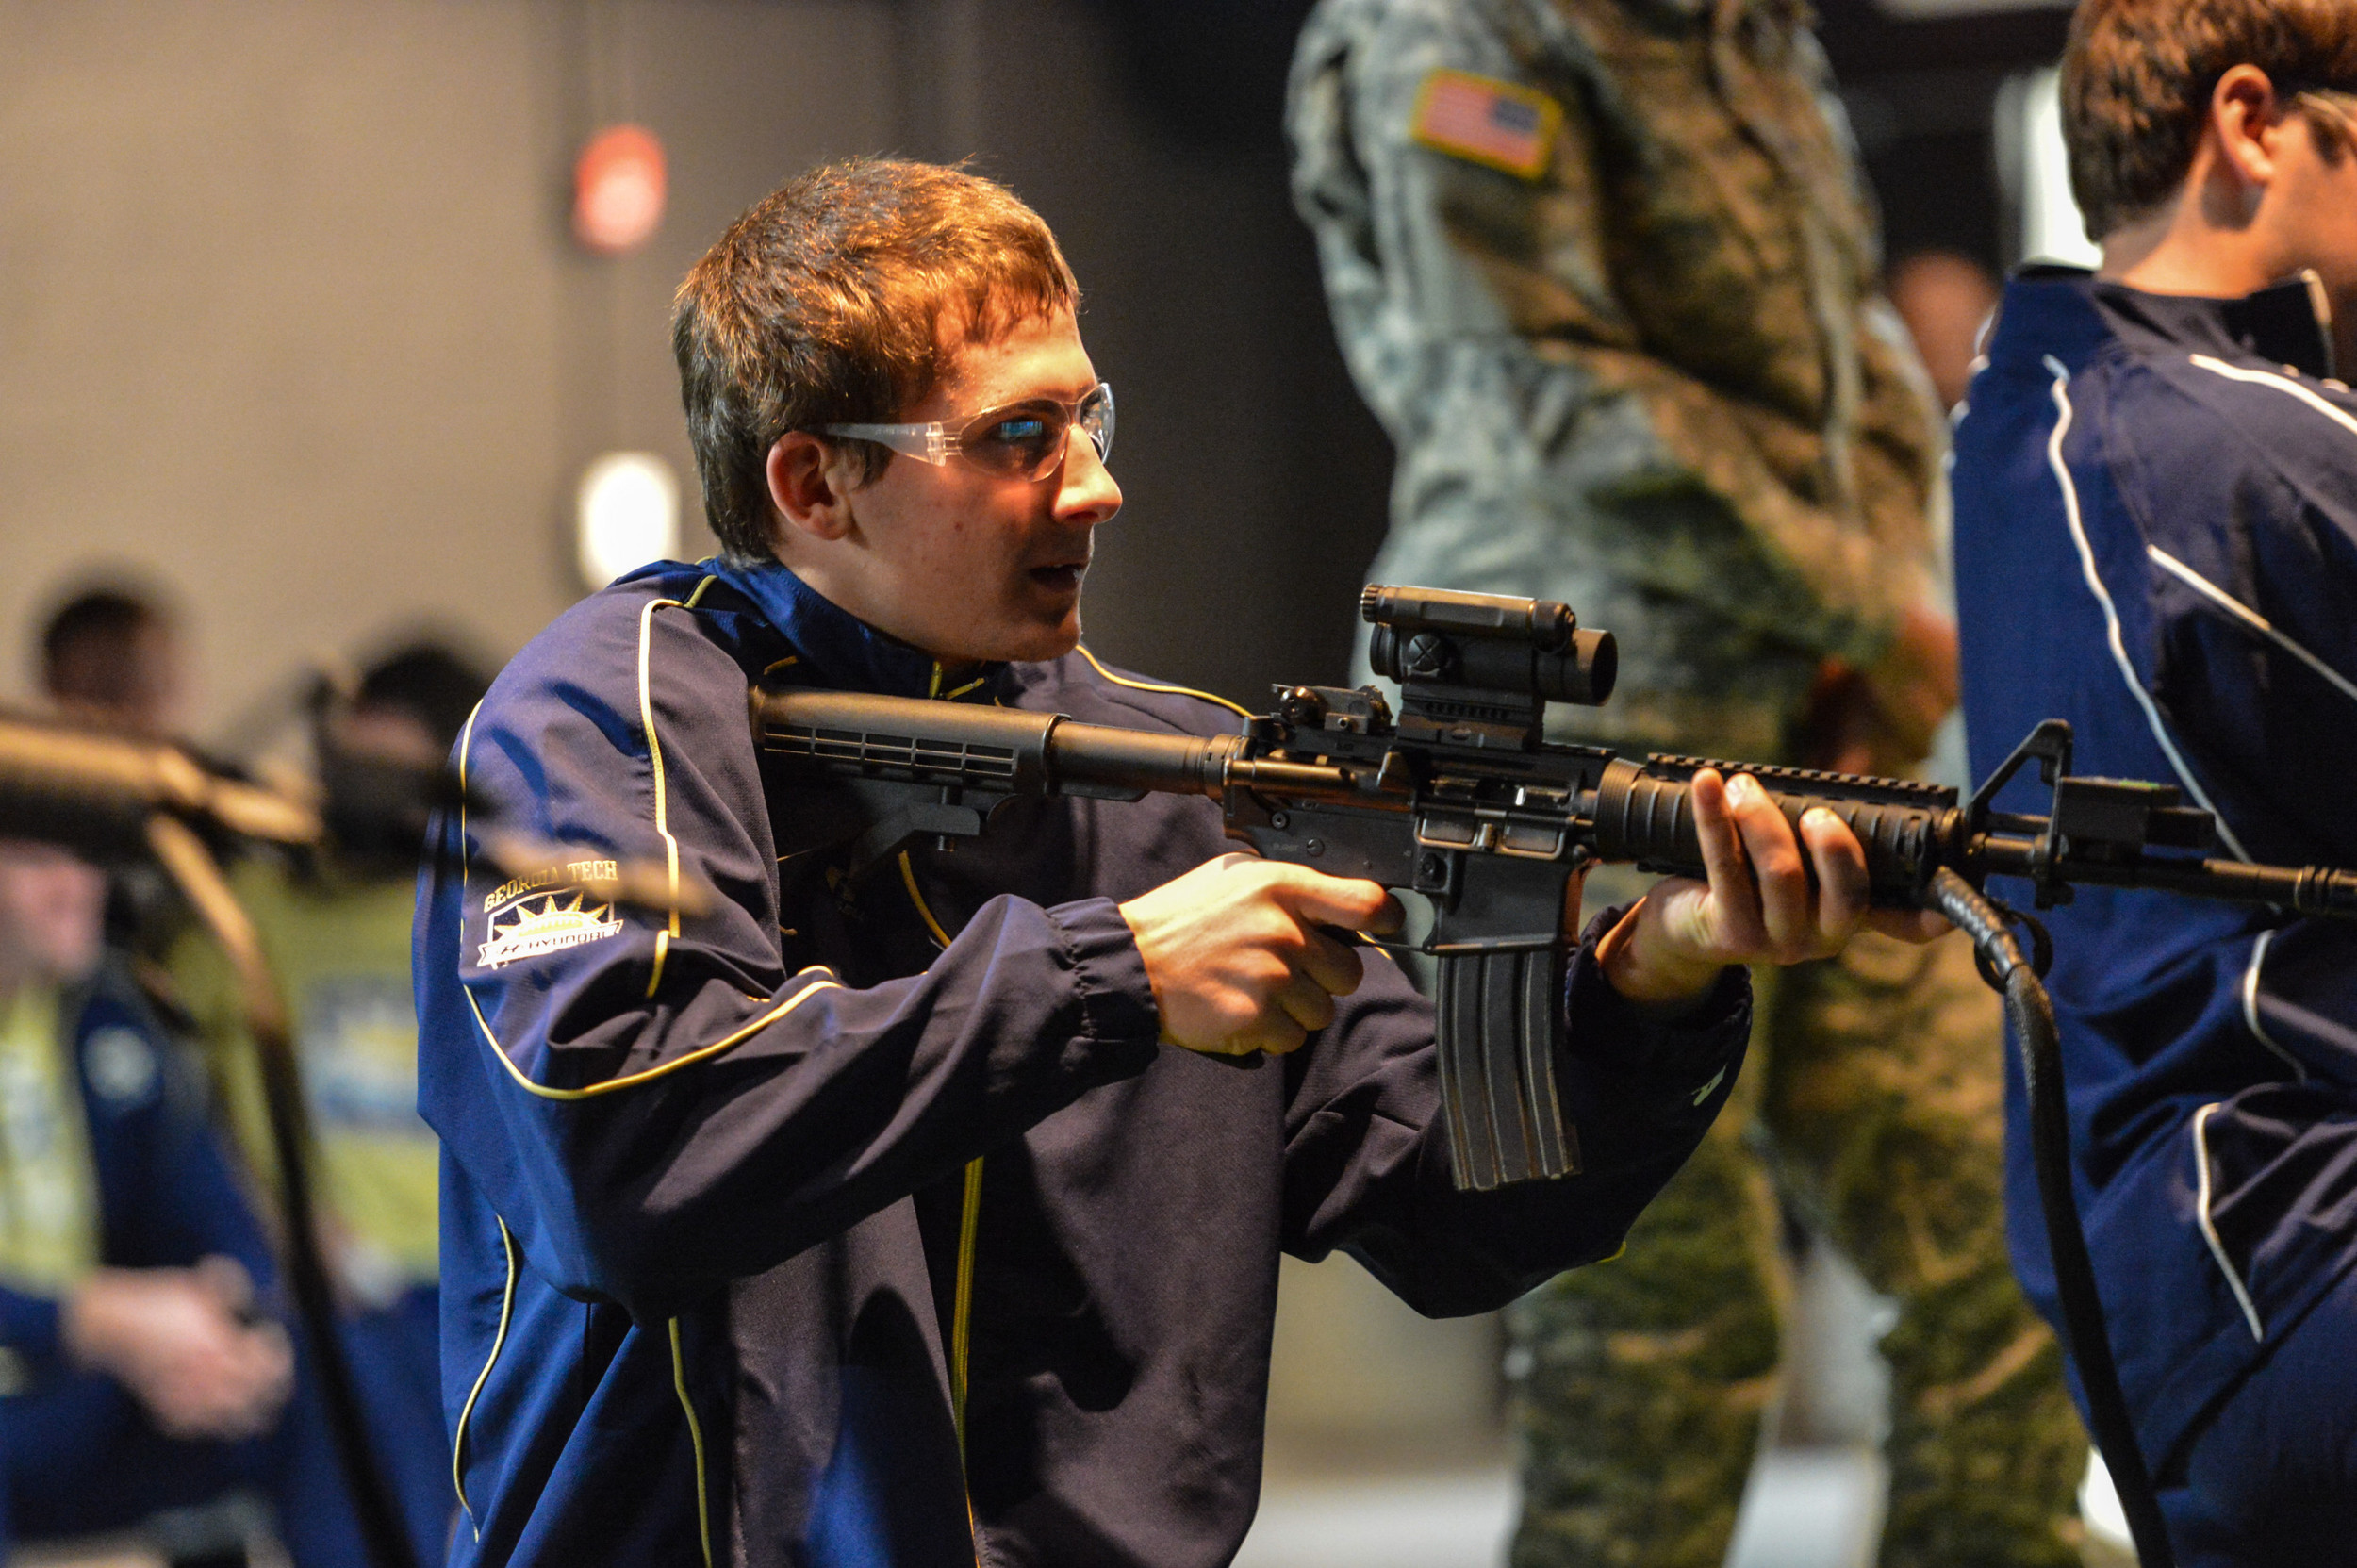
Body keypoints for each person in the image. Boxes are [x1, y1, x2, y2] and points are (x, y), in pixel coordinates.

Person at [415, 157, 1943, 1568]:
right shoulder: (607, 712)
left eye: (1091, 418)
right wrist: (1121, 975)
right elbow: (624, 1148)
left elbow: (1450, 1205)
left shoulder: (1166, 771)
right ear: (813, 486)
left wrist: (1650, 975)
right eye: (1017, 437)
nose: (1093, 484)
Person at [1285, 4, 2084, 1563]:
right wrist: (1875, 597)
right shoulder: (1454, 28)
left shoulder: (1742, 27)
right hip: (1576, 738)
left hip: (1824, 714)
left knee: (2013, 1218)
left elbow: (1840, 340)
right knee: (1653, 1317)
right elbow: (1534, 394)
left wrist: (1901, 603)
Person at [1951, 1, 2357, 1560]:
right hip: (2300, 1246)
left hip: (2176, 1287)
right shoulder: (2236, 453)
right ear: (2250, 123)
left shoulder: (2036, 405)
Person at [173, 642, 490, 1565]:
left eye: (386, 770)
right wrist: (278, 1221)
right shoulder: (248, 907)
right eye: (344, 762)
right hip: (334, 1305)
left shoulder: (490, 907)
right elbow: (185, 1107)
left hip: (478, 1296)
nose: (356, 793)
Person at [0, 837, 295, 1558]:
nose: (79, 884)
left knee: (322, 1373)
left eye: (85, 850)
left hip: (82, 1393)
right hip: (41, 1365)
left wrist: (238, 1317)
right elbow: (102, 1319)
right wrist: (90, 1317)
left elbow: (210, 1205)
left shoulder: (110, 1008)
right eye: (38, 860)